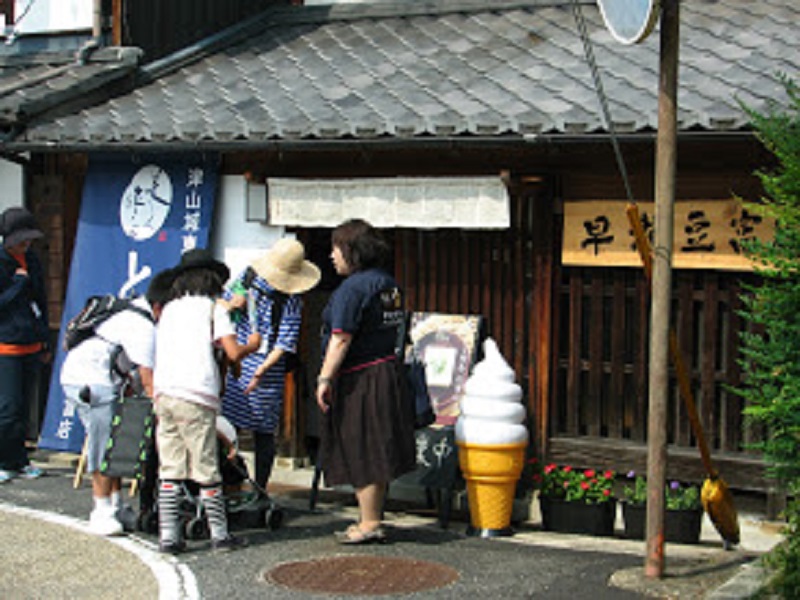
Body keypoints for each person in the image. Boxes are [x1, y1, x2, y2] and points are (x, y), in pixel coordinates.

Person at [153, 248, 261, 554]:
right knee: (205, 467)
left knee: (170, 467)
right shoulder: (214, 310)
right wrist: (252, 345)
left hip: (165, 393)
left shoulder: (170, 309)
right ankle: (220, 535)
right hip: (196, 395)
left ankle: (169, 537)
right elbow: (232, 352)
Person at [315, 219, 416, 544]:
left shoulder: (353, 289)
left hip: (362, 376)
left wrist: (324, 377)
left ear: (353, 251)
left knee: (363, 444)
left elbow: (341, 337)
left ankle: (370, 523)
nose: (332, 255)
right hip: (388, 369)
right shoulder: (389, 284)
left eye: (336, 248)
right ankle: (372, 517)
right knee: (377, 442)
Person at [60, 269, 173, 536]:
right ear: (159, 306)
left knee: (117, 443)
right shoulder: (143, 326)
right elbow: (148, 379)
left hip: (92, 378)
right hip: (92, 383)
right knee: (104, 445)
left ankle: (116, 505)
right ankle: (100, 511)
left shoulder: (131, 310)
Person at [220, 238, 320, 496]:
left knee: (254, 429)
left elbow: (284, 343)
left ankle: (253, 488)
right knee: (236, 430)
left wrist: (260, 371)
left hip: (259, 366)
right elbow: (219, 303)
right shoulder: (248, 279)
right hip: (238, 357)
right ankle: (237, 484)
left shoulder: (289, 299)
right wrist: (233, 304)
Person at [0, 207, 49, 484]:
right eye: (21, 240)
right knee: (7, 408)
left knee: (22, 410)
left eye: (28, 240)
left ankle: (19, 460)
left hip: (31, 343)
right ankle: (4, 460)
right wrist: (18, 282)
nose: (26, 244)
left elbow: (41, 300)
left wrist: (44, 340)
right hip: (5, 346)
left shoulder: (32, 259)